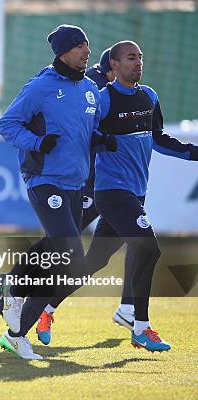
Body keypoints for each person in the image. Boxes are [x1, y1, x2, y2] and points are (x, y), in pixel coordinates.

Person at [62, 40, 197, 352]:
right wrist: (102, 141)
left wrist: (194, 154)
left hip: (137, 193)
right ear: (114, 65)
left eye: (140, 57)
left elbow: (158, 139)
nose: (138, 63)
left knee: (96, 260)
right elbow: (84, 137)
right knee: (149, 248)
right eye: (130, 58)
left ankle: (44, 307)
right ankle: (141, 326)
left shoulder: (149, 96)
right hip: (110, 191)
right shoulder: (102, 99)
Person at [0, 25, 116, 359]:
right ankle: (17, 324)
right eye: (79, 46)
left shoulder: (92, 90)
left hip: (76, 183)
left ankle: (12, 298)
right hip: (45, 179)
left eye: (88, 45)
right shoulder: (41, 85)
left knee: (55, 248)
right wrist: (36, 142)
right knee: (72, 259)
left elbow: (86, 132)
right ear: (62, 51)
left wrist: (100, 140)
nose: (86, 51)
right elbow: (7, 124)